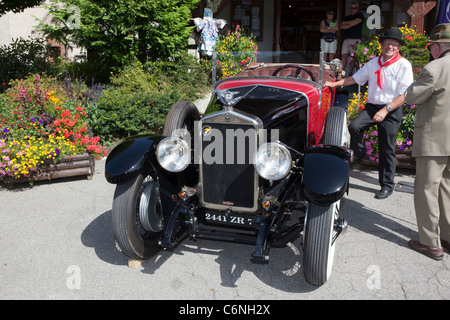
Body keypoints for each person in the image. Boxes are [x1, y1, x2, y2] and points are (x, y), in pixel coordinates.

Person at [323, 28, 414, 199]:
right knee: (355, 126)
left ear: (399, 47)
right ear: (382, 45)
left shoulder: (404, 65)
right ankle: (360, 153)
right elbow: (355, 79)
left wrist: (386, 110)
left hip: (391, 108)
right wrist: (335, 84)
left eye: (394, 44)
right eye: (387, 43)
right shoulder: (373, 63)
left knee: (387, 148)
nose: (390, 47)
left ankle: (387, 185)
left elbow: (405, 95)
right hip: (373, 106)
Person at [404, 23, 450, 260]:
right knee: (447, 188)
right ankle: (447, 236)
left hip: (434, 139)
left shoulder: (434, 68)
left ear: (438, 46)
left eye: (431, 45)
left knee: (427, 190)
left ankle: (430, 242)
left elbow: (412, 96)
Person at [340, 1, 364, 74]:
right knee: (343, 55)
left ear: (358, 8)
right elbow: (341, 26)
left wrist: (347, 23)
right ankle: (341, 72)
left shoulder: (360, 15)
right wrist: (352, 23)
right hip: (346, 39)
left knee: (352, 56)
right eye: (352, 8)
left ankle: (350, 72)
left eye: (355, 8)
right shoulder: (347, 17)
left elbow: (357, 22)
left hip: (355, 39)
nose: (353, 9)